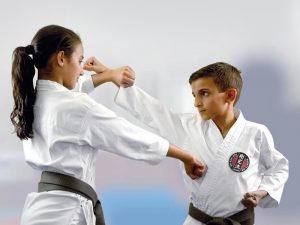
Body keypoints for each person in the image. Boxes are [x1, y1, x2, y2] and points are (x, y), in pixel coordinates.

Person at [10, 25, 206, 225]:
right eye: (79, 61)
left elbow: (73, 88)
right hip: (65, 214)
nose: (81, 70)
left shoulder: (33, 100)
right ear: (61, 58)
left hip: (38, 211)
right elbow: (129, 135)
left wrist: (110, 74)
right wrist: (185, 156)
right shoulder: (77, 107)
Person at [83, 60, 289, 225]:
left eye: (204, 94)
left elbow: (278, 168)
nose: (196, 103)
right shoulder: (187, 126)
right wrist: (112, 77)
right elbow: (152, 110)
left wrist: (262, 192)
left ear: (230, 95)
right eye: (194, 95)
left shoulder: (256, 133)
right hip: (198, 220)